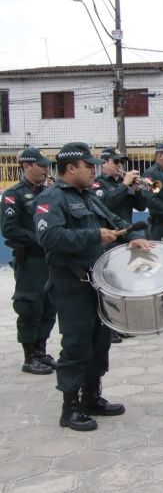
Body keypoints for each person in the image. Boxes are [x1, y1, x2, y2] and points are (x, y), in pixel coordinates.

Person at [36, 142, 153, 432]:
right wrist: (93, 236)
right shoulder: (52, 198)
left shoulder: (88, 196)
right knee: (76, 343)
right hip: (70, 282)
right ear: (71, 167)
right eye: (89, 166)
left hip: (97, 281)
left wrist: (129, 238)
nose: (94, 170)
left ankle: (91, 396)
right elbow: (48, 237)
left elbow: (113, 221)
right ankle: (70, 407)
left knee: (99, 341)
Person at [0, 148, 57, 375]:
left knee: (48, 306)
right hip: (30, 260)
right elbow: (10, 229)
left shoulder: (47, 192)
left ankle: (41, 350)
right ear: (26, 166)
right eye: (41, 166)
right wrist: (43, 240)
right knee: (30, 306)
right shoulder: (13, 195)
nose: (46, 169)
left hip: (48, 260)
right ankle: (29, 356)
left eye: (46, 166)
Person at [92, 147, 148, 343]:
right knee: (109, 284)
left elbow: (141, 206)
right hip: (108, 238)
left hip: (126, 235)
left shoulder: (122, 184)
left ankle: (121, 323)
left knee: (125, 282)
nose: (119, 166)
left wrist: (137, 189)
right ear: (104, 162)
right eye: (115, 162)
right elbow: (106, 205)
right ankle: (109, 326)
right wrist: (124, 185)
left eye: (121, 163)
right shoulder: (97, 185)